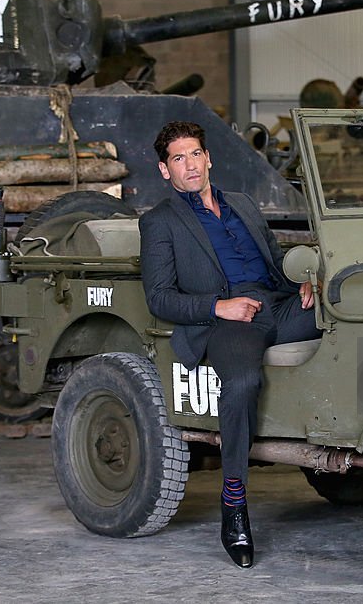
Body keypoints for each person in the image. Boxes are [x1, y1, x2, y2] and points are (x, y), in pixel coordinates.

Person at [139, 120, 320, 569]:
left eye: (195, 154)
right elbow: (159, 297)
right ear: (166, 171)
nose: (190, 164)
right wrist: (220, 307)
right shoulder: (160, 222)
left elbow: (276, 262)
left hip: (279, 306)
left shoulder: (241, 204)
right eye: (178, 159)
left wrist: (303, 285)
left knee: (351, 312)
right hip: (229, 320)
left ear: (208, 158)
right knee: (240, 382)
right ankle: (234, 503)